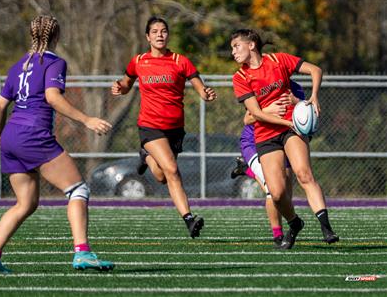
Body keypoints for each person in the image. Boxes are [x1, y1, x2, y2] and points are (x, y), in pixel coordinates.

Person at [0, 15, 114, 274]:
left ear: (32, 35)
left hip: (11, 136)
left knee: (25, 203)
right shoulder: (54, 62)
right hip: (33, 135)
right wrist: (86, 119)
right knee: (78, 190)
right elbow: (52, 97)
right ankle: (82, 253)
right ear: (57, 36)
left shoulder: (18, 65)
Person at [231, 29, 339, 249]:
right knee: (278, 194)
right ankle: (295, 222)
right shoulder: (240, 77)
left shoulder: (278, 60)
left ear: (251, 45)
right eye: (232, 48)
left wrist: (313, 97)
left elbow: (315, 70)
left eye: (236, 46)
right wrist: (279, 117)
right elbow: (256, 114)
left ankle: (326, 227)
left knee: (304, 173)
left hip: (291, 129)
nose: (233, 52)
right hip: (266, 135)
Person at [111, 16, 217, 238]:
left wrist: (205, 94)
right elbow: (127, 83)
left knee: (161, 176)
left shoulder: (180, 61)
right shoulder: (139, 61)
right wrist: (119, 87)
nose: (160, 34)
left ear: (168, 35)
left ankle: (146, 157)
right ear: (148, 36)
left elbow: (199, 86)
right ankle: (189, 219)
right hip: (150, 126)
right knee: (171, 170)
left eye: (163, 31)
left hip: (175, 128)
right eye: (155, 31)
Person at [231, 81, 305, 248]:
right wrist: (267, 111)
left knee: (285, 194)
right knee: (273, 190)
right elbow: (248, 119)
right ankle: (278, 235)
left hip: (284, 142)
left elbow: (303, 116)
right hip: (257, 142)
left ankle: (247, 170)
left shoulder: (296, 88)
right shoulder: (262, 86)